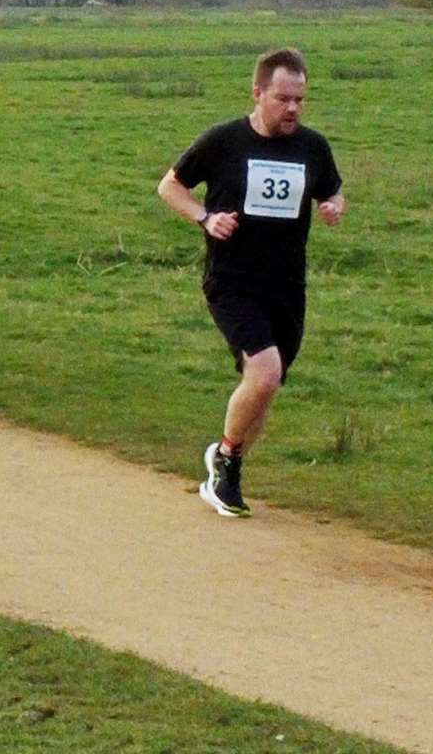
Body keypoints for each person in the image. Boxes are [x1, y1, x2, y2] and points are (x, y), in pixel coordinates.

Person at [157, 47, 345, 518]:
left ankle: (227, 456)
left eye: (300, 99)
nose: (293, 109)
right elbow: (170, 186)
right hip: (232, 279)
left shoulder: (312, 146)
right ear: (258, 93)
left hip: (286, 284)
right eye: (283, 98)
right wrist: (205, 218)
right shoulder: (224, 141)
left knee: (268, 383)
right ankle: (225, 466)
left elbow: (332, 189)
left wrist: (334, 206)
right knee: (263, 373)